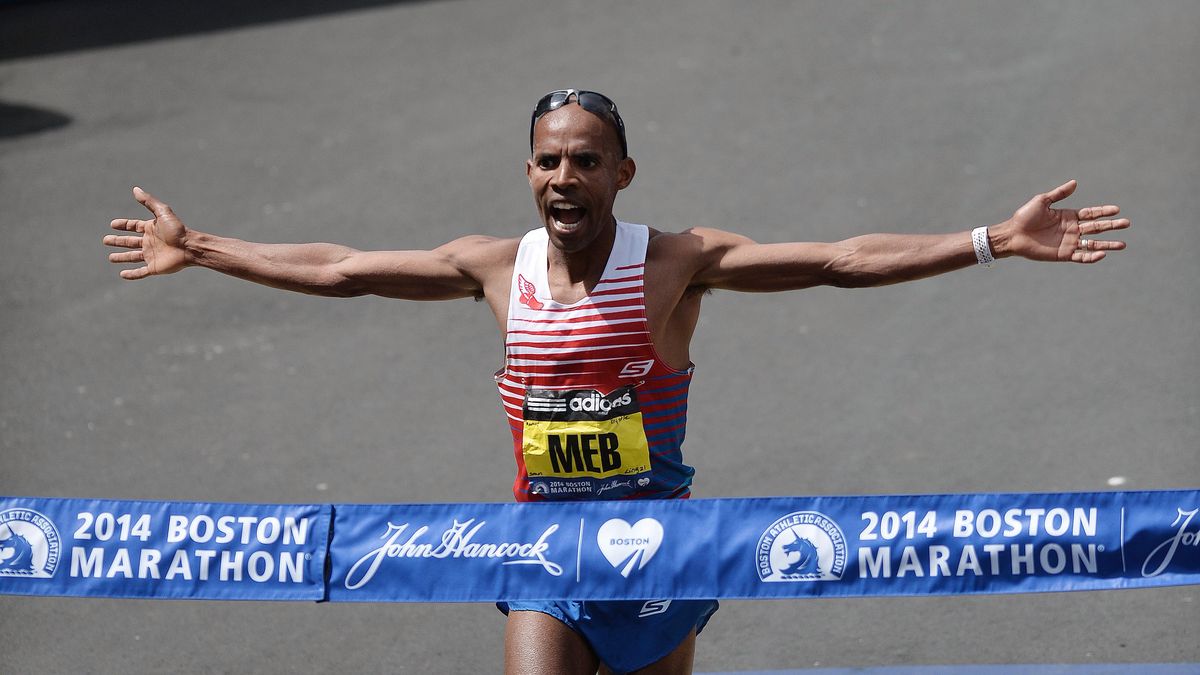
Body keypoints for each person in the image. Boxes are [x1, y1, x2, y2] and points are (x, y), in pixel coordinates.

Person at [105, 89, 1129, 675]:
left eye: (587, 162)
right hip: (543, 547)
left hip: (660, 548)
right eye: (550, 161)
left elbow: (842, 258)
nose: (565, 179)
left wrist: (991, 239)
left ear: (622, 175)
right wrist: (201, 247)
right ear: (529, 172)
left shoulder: (676, 261)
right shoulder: (495, 267)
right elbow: (340, 268)